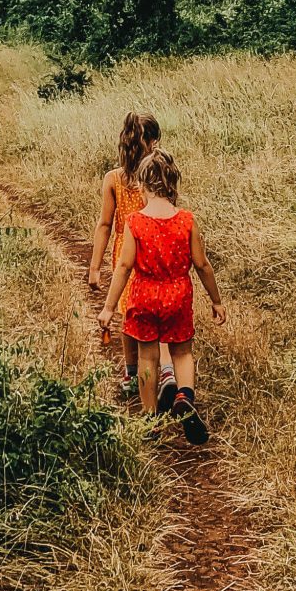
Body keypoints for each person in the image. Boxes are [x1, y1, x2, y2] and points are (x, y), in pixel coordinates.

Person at [96, 147, 224, 444]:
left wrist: (108, 307)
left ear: (141, 185)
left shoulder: (135, 222)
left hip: (144, 296)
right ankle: (184, 395)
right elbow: (202, 264)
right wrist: (216, 300)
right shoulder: (187, 220)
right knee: (181, 352)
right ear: (173, 182)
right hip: (177, 295)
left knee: (147, 357)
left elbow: (125, 265)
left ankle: (151, 420)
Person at [87, 112, 172, 399]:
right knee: (157, 313)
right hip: (156, 250)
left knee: (129, 315)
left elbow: (104, 224)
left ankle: (132, 372)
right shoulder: (160, 176)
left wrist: (95, 267)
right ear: (154, 142)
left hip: (125, 252)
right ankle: (166, 373)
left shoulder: (113, 179)